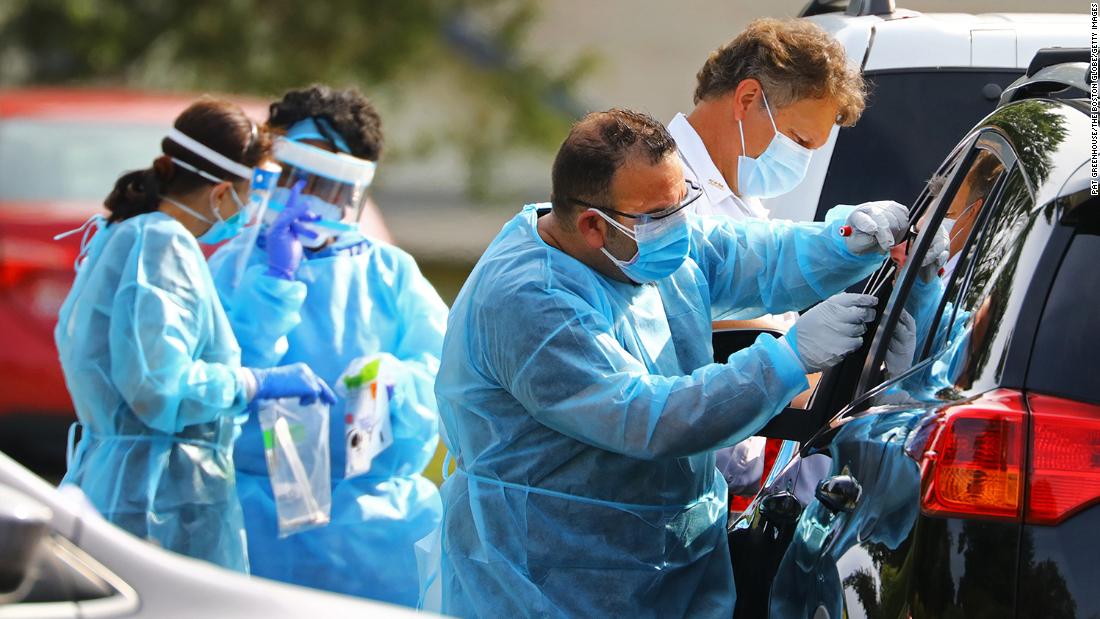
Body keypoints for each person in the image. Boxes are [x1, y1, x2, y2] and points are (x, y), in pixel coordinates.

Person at [434, 108, 909, 617]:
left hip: (666, 563)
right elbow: (647, 417)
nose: (680, 226)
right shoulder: (530, 302)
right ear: (593, 225)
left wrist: (846, 242)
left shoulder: (633, 242)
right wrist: (787, 359)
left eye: (684, 202)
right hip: (553, 579)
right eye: (662, 215)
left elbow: (753, 257)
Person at [56, 99, 335, 573]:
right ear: (222, 191)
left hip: (133, 489)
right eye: (251, 193)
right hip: (155, 504)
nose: (251, 210)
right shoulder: (161, 243)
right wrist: (256, 384)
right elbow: (158, 387)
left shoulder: (129, 233)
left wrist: (274, 282)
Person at [208, 85, 448, 606]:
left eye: (323, 182)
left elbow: (447, 380)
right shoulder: (235, 265)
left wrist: (395, 382)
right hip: (255, 524)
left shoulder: (390, 273)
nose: (304, 196)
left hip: (374, 531)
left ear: (353, 188)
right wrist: (274, 283)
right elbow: (216, 380)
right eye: (292, 176)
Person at [668, 17, 877, 495]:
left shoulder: (741, 196)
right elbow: (708, 327)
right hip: (682, 477)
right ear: (747, 99)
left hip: (732, 471)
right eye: (799, 142)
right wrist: (799, 360)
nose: (801, 162)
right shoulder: (660, 193)